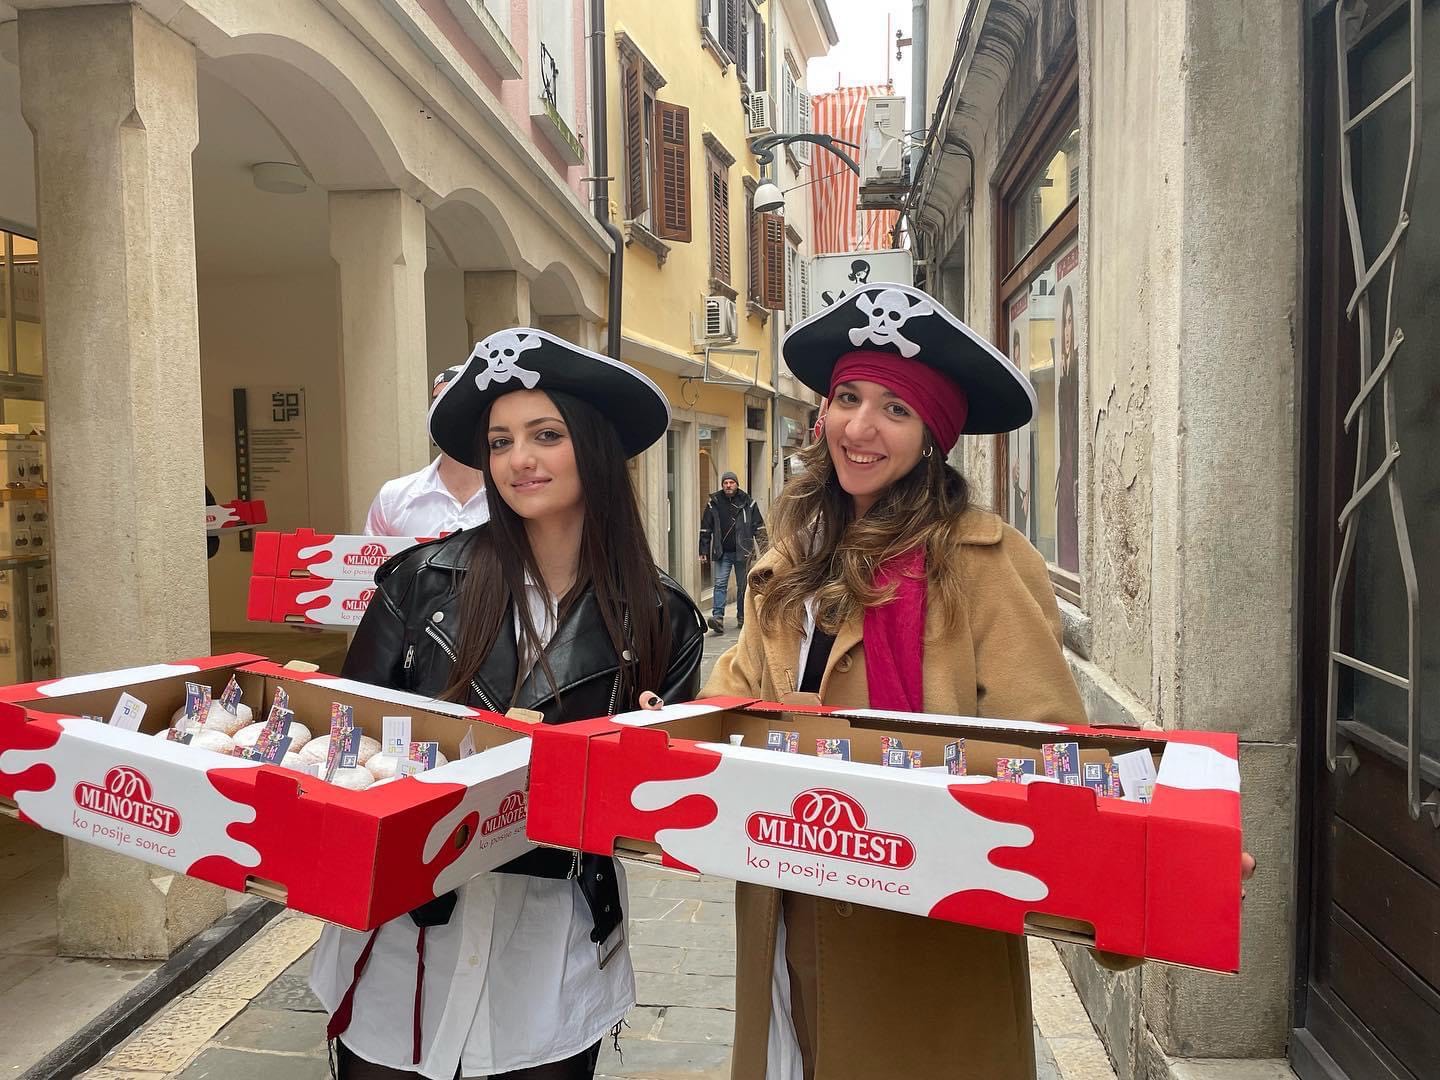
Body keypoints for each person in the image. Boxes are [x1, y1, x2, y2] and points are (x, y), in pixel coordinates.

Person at [701, 284, 1254, 1079]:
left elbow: (1054, 761)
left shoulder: (980, 565)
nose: (860, 427)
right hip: (790, 919)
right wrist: (674, 733)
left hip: (928, 944)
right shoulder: (791, 559)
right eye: (849, 398)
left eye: (895, 408)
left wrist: (1158, 864)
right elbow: (732, 703)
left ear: (933, 437)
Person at [311, 328, 706, 1080]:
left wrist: (643, 759)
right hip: (407, 931)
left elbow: (652, 812)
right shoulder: (420, 582)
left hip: (551, 941)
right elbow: (345, 742)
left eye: (545, 435)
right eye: (501, 441)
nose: (519, 459)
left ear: (593, 446)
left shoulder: (663, 616)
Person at [363, 366, 490, 536]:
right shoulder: (392, 499)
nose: (446, 412)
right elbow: (372, 552)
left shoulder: (512, 493)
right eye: (437, 401)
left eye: (459, 401)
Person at [698, 471, 765, 635]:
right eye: (725, 483)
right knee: (720, 584)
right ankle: (718, 618)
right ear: (722, 485)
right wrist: (703, 550)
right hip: (722, 553)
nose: (728, 485)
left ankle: (742, 616)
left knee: (743, 585)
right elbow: (705, 528)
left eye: (731, 482)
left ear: (736, 484)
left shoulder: (748, 502)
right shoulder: (714, 502)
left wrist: (765, 550)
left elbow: (759, 527)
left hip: (743, 552)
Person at [1056, 285, 1080, 571]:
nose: (1066, 330)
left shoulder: (1075, 368)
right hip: (1065, 477)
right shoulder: (1063, 373)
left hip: (1073, 476)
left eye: (1071, 321)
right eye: (1065, 321)